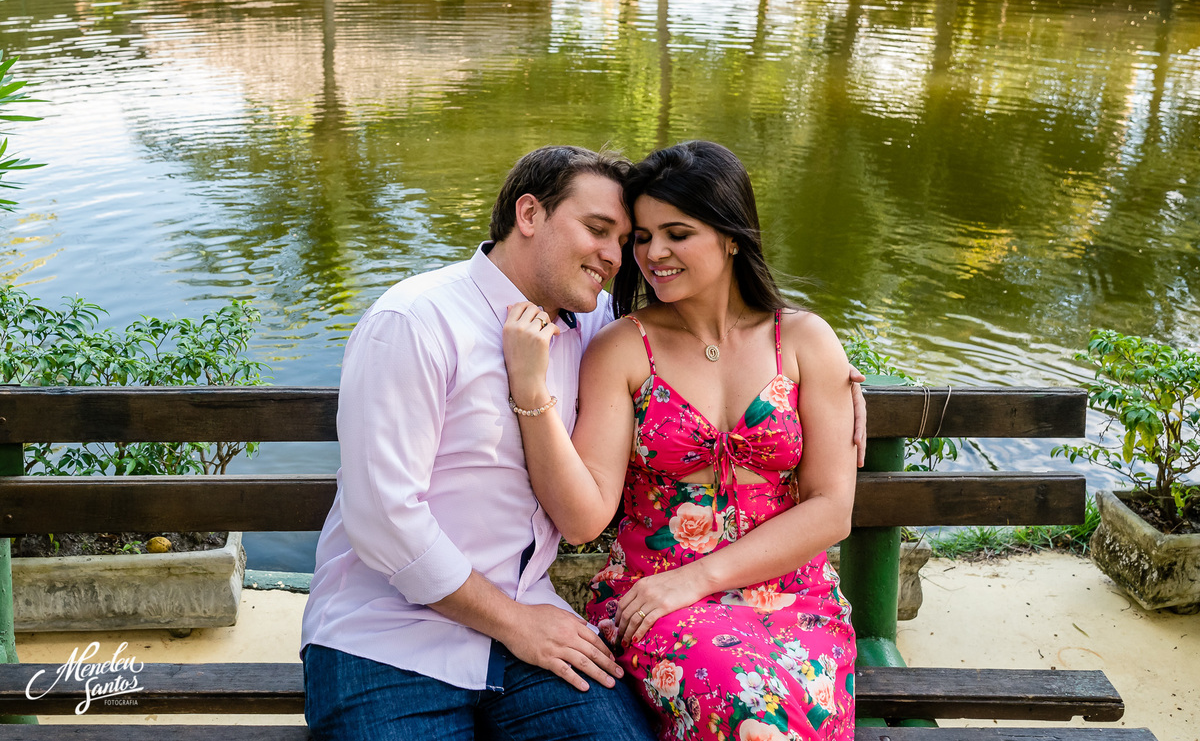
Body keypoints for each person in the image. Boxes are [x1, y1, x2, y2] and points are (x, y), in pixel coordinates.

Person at [502, 140, 857, 741]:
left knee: (790, 710)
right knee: (749, 712)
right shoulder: (621, 347)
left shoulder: (802, 341)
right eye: (641, 237)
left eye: (676, 233)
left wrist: (701, 577)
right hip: (656, 598)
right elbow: (585, 514)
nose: (651, 254)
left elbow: (831, 509)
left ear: (732, 236)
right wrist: (531, 389)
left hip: (793, 597)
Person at [299, 146, 657, 741]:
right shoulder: (416, 321)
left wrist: (823, 370)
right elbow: (385, 519)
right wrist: (516, 623)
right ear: (529, 214)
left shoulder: (589, 327)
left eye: (623, 240)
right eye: (597, 230)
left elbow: (704, 332)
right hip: (387, 638)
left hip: (532, 631)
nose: (615, 257)